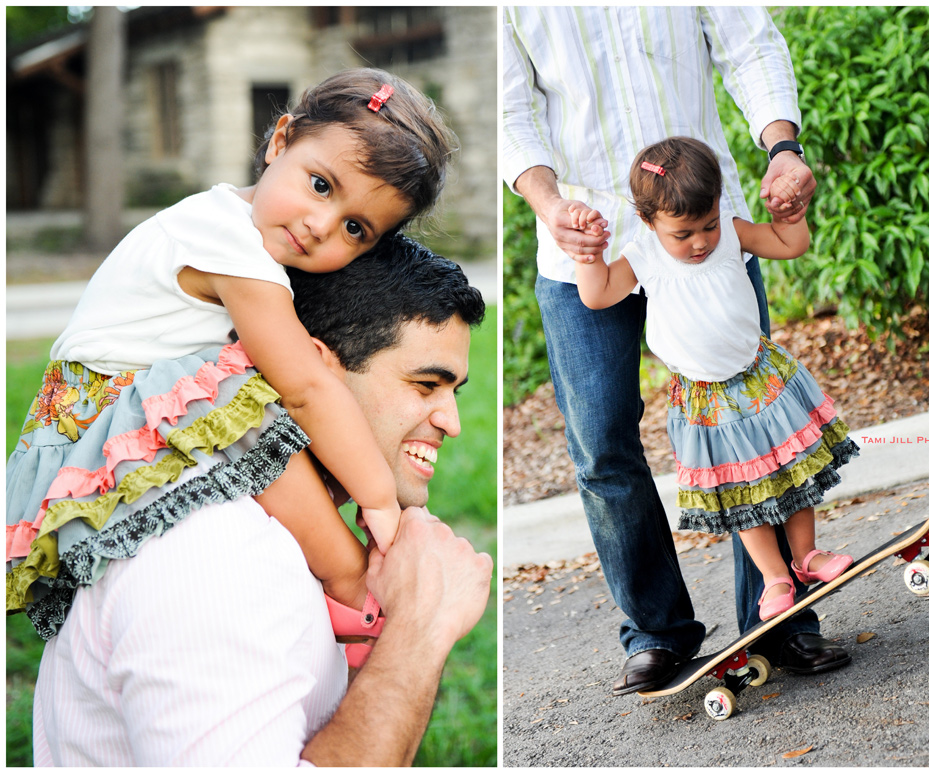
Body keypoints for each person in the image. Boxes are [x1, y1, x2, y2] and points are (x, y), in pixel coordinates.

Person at [7, 68, 457, 643]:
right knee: (254, 404)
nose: (320, 226)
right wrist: (378, 498)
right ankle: (348, 584)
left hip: (97, 408)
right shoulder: (228, 242)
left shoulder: (227, 225)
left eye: (355, 228)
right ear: (279, 142)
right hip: (103, 411)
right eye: (320, 185)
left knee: (245, 395)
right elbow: (307, 389)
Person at [30, 234, 494, 766]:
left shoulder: (268, 529)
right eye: (425, 383)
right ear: (317, 369)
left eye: (453, 392)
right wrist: (421, 626)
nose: (451, 423)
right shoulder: (215, 555)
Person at [503, 6, 850, 696]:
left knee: (753, 422)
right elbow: (511, 110)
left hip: (706, 227)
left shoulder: (721, 230)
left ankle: (780, 618)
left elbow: (750, 45)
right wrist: (552, 207)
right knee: (601, 441)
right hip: (586, 241)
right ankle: (657, 632)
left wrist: (784, 150)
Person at [572, 137, 859, 619]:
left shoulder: (729, 230)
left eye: (707, 224)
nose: (701, 241)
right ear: (649, 220)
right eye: (683, 234)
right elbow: (598, 296)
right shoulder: (644, 255)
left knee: (793, 473)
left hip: (761, 381)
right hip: (709, 403)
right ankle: (774, 578)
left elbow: (791, 244)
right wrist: (588, 255)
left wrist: (790, 215)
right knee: (746, 491)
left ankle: (807, 557)